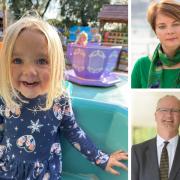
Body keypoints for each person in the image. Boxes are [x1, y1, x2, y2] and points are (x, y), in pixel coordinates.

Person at [0, 17, 128, 179]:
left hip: (43, 173)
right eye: (17, 60)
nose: (30, 71)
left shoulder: (58, 99)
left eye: (41, 61)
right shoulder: (5, 96)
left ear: (56, 64)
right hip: (8, 168)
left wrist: (101, 159)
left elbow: (74, 132)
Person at [131, 0, 180, 88]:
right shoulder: (142, 65)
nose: (170, 31)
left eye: (176, 24)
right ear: (155, 31)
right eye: (162, 26)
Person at [131, 95, 180, 180]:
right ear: (155, 116)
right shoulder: (137, 152)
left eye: (175, 111)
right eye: (164, 110)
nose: (169, 115)